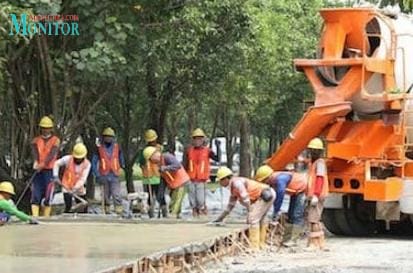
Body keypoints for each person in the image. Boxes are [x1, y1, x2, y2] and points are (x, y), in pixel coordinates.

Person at [213, 167, 275, 250]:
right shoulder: (233, 188)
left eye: (220, 180)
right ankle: (261, 244)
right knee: (261, 219)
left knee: (252, 219)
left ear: (226, 179)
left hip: (266, 195)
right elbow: (230, 206)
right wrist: (220, 219)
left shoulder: (237, 183)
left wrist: (250, 209)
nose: (220, 183)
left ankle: (254, 247)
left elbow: (245, 197)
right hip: (268, 193)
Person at [255, 164, 307, 246]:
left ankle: (294, 240)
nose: (265, 183)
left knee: (296, 215)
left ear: (268, 177)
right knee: (290, 215)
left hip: (302, 189)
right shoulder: (275, 180)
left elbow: (280, 195)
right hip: (295, 192)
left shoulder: (280, 179)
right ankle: (286, 239)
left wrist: (276, 211)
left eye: (265, 180)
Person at [143, 146, 189, 218]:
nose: (151, 161)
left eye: (150, 159)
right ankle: (177, 216)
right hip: (173, 184)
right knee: (174, 200)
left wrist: (165, 168)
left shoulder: (167, 157)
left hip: (181, 182)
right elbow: (163, 177)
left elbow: (177, 165)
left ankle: (172, 216)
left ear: (154, 155)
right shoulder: (158, 163)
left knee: (176, 200)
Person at [183, 128, 220, 217]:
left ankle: (202, 208)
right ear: (193, 140)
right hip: (190, 178)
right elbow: (185, 164)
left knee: (200, 199)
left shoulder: (207, 151)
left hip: (201, 179)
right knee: (192, 198)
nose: (198, 141)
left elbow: (217, 158)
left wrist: (218, 147)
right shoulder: (188, 151)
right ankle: (195, 211)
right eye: (196, 138)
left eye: (200, 139)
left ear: (203, 140)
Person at [31, 116, 60, 217]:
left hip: (49, 170)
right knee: (36, 192)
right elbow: (35, 153)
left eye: (47, 128)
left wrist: (42, 165)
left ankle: (46, 217)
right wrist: (35, 162)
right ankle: (35, 216)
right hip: (38, 171)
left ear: (51, 128)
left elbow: (52, 155)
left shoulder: (55, 140)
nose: (45, 130)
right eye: (43, 127)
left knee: (48, 194)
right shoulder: (35, 140)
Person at [92, 127, 125, 215]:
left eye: (110, 137)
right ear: (103, 138)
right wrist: (96, 174)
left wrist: (122, 166)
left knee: (116, 194)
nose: (108, 138)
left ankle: (119, 211)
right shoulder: (99, 148)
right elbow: (94, 162)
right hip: (103, 174)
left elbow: (121, 158)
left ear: (113, 138)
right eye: (106, 137)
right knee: (105, 195)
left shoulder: (117, 147)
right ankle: (106, 211)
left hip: (114, 174)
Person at [305, 137, 329, 250]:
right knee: (315, 219)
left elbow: (320, 179)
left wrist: (316, 194)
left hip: (318, 195)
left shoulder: (320, 163)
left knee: (313, 219)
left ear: (319, 151)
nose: (312, 152)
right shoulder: (313, 163)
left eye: (314, 150)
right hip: (314, 194)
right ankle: (320, 244)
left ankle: (314, 244)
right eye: (311, 150)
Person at [53, 143, 91, 213]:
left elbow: (83, 179)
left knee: (84, 208)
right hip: (66, 185)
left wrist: (75, 188)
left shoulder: (87, 164)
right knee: (68, 206)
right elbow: (56, 164)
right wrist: (55, 176)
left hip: (79, 188)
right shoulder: (67, 159)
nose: (78, 159)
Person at [138, 129, 168, 218]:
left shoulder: (160, 149)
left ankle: (164, 213)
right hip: (148, 177)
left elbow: (164, 160)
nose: (152, 142)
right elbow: (141, 163)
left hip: (159, 176)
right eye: (150, 141)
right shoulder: (143, 151)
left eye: (153, 140)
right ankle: (151, 214)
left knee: (160, 196)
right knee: (149, 198)